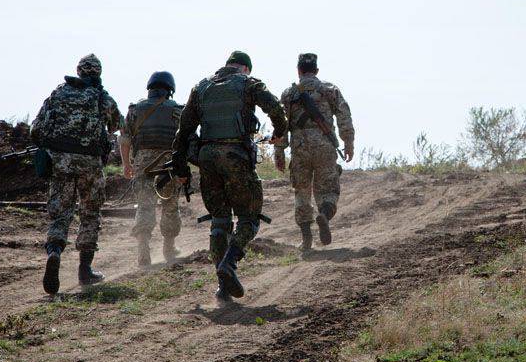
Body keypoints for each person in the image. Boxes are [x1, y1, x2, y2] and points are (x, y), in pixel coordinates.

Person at [171, 51, 287, 300]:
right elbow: (275, 108)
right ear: (245, 68)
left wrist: (181, 169)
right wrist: (279, 132)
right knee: (249, 217)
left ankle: (223, 286)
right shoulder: (248, 83)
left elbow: (183, 132)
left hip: (207, 159)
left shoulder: (201, 87)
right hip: (236, 156)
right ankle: (229, 265)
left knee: (220, 220)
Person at [30, 53, 121, 295]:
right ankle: (85, 270)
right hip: (90, 163)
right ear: (98, 73)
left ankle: (55, 252)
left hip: (60, 163)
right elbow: (116, 124)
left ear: (79, 71)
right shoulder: (101, 97)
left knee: (61, 214)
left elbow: (36, 128)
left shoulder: (58, 93)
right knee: (90, 213)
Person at [275, 53, 355, 250]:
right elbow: (344, 115)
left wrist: (279, 151)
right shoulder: (329, 89)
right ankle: (324, 215)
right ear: (316, 70)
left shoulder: (288, 94)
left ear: (299, 71)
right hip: (325, 145)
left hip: (300, 148)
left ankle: (306, 239)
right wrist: (348, 142)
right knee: (328, 189)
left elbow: (280, 125)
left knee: (301, 192)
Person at [119, 71, 184, 266]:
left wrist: (126, 164)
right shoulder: (178, 110)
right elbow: (186, 141)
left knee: (145, 205)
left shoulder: (134, 110)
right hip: (168, 164)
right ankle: (169, 246)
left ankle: (143, 250)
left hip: (143, 165)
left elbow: (124, 140)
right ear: (169, 89)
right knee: (170, 205)